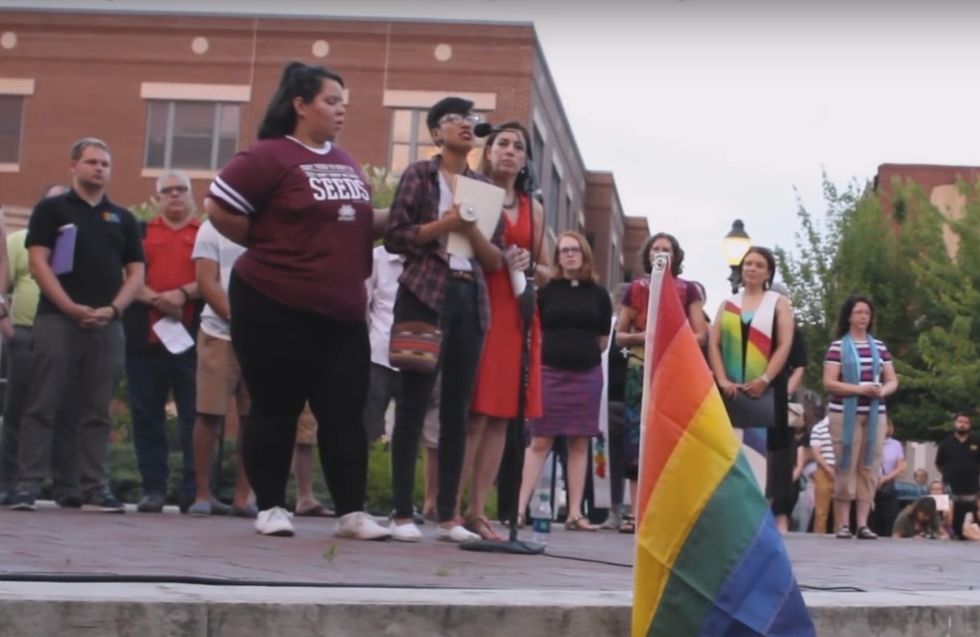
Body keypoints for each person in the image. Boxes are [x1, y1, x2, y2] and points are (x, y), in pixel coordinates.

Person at [205, 62, 388, 539]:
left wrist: (416, 215)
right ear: (300, 105)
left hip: (342, 309)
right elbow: (218, 206)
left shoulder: (345, 161)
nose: (340, 109)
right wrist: (263, 241)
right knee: (275, 407)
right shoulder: (268, 156)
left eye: (343, 101)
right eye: (331, 101)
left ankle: (351, 513)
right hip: (274, 303)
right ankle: (270, 506)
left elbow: (359, 225)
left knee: (345, 413)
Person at [384, 96, 503, 543]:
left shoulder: (483, 187)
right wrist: (445, 223)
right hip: (422, 294)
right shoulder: (420, 174)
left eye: (470, 120)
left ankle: (448, 515)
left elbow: (492, 260)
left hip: (469, 299)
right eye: (455, 119)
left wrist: (470, 229)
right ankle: (400, 513)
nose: (466, 126)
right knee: (413, 403)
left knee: (458, 408)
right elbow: (396, 236)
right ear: (436, 133)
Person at [10, 137, 144, 513]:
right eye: (91, 162)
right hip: (57, 320)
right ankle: (28, 486)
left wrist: (114, 310)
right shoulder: (51, 210)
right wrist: (68, 306)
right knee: (42, 404)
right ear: (73, 166)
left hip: (106, 324)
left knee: (96, 409)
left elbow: (136, 272)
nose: (99, 168)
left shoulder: (123, 217)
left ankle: (93, 487)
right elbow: (39, 262)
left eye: (104, 163)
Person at [458, 121, 547, 541]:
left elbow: (547, 269)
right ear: (489, 152)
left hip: (516, 312)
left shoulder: (535, 207)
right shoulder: (473, 192)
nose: (510, 151)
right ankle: (449, 509)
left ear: (525, 160)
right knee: (474, 414)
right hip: (479, 303)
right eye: (503, 144)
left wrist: (530, 263)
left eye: (519, 147)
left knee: (500, 417)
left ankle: (479, 512)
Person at [517, 231, 612, 532]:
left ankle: (574, 513)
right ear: (557, 257)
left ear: (584, 254)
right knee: (540, 440)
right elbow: (534, 329)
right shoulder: (547, 292)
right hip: (549, 373)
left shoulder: (599, 294)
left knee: (580, 442)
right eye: (563, 250)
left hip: (586, 375)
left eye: (575, 250)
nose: (569, 255)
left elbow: (603, 339)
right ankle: (518, 510)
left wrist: (581, 355)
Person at [617, 233, 706, 533]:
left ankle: (670, 511)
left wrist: (670, 340)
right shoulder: (635, 289)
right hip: (639, 369)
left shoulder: (687, 289)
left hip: (674, 369)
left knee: (673, 435)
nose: (660, 253)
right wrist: (645, 337)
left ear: (675, 256)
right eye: (656, 248)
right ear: (648, 254)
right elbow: (620, 335)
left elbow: (700, 334)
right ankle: (634, 511)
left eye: (666, 250)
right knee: (634, 438)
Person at [123, 170, 201, 513]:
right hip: (144, 341)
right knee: (146, 417)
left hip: (192, 342)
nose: (174, 195)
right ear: (156, 198)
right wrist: (159, 300)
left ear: (191, 195)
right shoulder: (139, 233)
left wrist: (183, 293)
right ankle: (153, 488)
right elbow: (126, 277)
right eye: (166, 191)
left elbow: (212, 278)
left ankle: (194, 491)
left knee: (195, 419)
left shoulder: (205, 233)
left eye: (180, 189)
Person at [0, 184, 75, 507]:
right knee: (19, 410)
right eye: (52, 202)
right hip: (26, 335)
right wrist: (8, 327)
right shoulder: (18, 241)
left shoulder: (77, 242)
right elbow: (3, 284)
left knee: (66, 412)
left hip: (69, 338)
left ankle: (66, 485)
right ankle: (9, 482)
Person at [708, 247, 794, 501]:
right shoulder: (728, 304)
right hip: (730, 388)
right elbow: (714, 343)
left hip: (762, 389)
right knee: (730, 451)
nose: (752, 268)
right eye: (748, 264)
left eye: (758, 265)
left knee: (758, 452)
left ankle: (755, 509)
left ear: (768, 271)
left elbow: (785, 344)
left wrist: (765, 378)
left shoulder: (778, 303)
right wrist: (722, 379)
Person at [187, 217, 254, 518]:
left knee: (253, 418)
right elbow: (206, 282)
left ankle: (243, 497)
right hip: (218, 333)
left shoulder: (273, 224)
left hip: (263, 338)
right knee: (208, 413)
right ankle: (203, 494)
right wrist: (239, 320)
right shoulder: (211, 226)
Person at [822, 295, 899, 540]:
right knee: (846, 463)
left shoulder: (880, 347)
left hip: (875, 413)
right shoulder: (837, 347)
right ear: (849, 316)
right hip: (845, 413)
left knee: (869, 465)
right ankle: (844, 523)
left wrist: (880, 391)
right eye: (859, 312)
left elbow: (892, 379)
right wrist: (858, 389)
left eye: (867, 313)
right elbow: (829, 382)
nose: (863, 317)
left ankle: (863, 523)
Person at [363, 244, 404, 444]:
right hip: (379, 354)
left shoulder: (426, 258)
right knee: (367, 424)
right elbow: (364, 304)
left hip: (416, 356)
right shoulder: (377, 257)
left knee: (408, 431)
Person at [935, 413, 980, 540]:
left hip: (971, 491)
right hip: (949, 491)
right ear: (955, 424)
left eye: (966, 422)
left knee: (970, 525)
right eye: (960, 421)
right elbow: (938, 464)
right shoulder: (945, 443)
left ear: (970, 425)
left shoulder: (976, 442)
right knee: (946, 523)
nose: (963, 424)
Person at [871, 419, 906, 537]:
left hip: (888, 486)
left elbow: (900, 466)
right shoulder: (869, 442)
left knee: (890, 518)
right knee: (873, 519)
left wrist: (886, 478)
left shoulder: (895, 444)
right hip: (871, 484)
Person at [808, 413, 835, 534]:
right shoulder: (818, 428)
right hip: (823, 470)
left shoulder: (846, 427)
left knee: (840, 513)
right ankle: (818, 540)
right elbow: (816, 453)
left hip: (842, 471)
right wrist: (829, 469)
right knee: (821, 511)